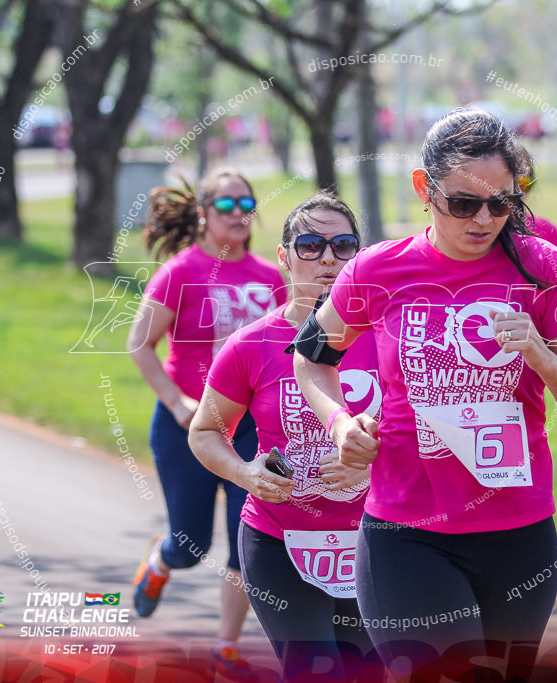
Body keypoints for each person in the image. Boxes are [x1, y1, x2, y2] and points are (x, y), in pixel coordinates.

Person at [293, 108, 557, 681]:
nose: (484, 219)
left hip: (519, 534)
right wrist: (341, 423)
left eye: (502, 203)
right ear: (425, 188)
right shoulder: (375, 270)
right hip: (405, 534)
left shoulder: (543, 268)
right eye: (464, 203)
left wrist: (541, 355)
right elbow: (311, 361)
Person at [189, 192, 383, 681]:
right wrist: (244, 472)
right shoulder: (250, 345)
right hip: (281, 540)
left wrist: (374, 458)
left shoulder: (386, 338)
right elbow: (206, 431)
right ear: (284, 256)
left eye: (343, 245)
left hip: (377, 542)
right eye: (310, 245)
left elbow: (426, 435)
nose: (328, 259)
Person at [126, 168, 286, 679]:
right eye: (226, 206)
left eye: (247, 205)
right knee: (190, 546)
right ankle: (161, 561)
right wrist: (178, 404)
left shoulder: (269, 278)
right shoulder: (180, 272)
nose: (239, 216)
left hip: (251, 431)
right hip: (186, 427)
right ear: (204, 213)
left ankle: (226, 644)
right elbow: (139, 344)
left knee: (247, 539)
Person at [514, 142, 557, 276]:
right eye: (510, 185)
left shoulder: (545, 229)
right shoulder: (478, 233)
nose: (517, 193)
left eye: (523, 184)